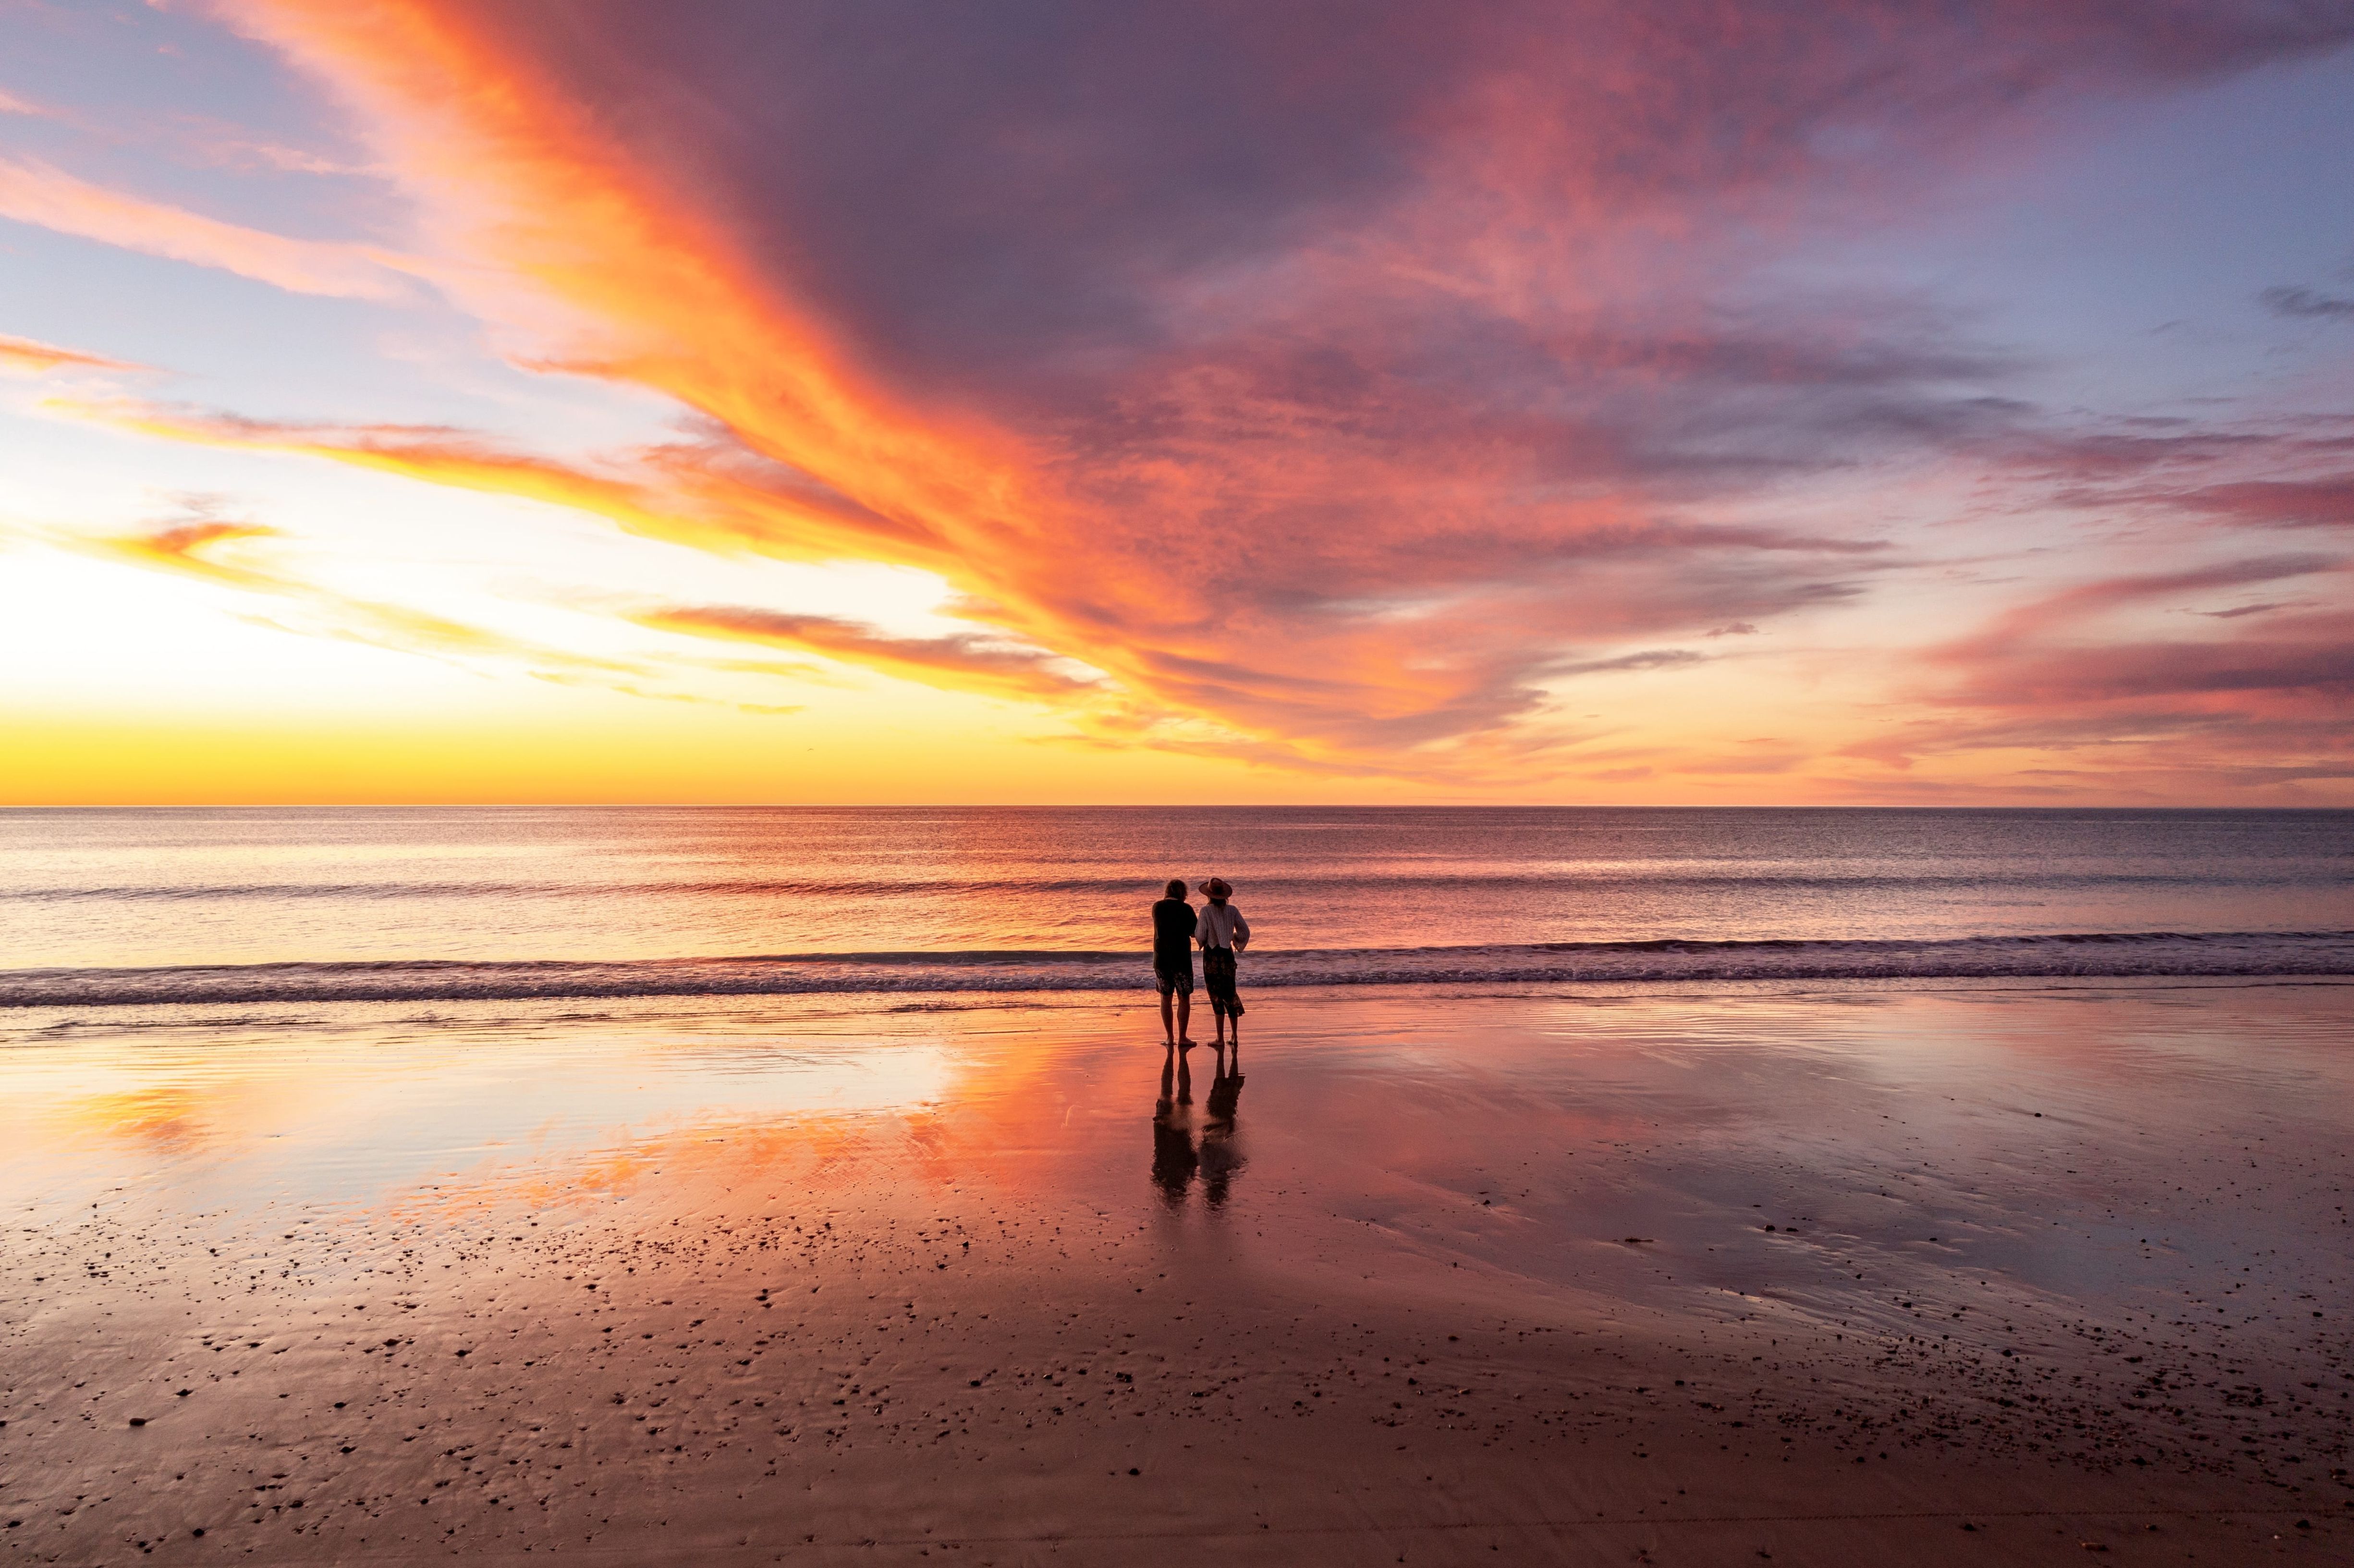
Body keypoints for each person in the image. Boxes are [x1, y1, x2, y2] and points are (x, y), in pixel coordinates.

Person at [1194, 876, 1249, 1045]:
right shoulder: (1233, 910)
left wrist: (1201, 942)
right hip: (1227, 956)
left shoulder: (1205, 911)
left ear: (1209, 896)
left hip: (1211, 956)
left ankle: (1219, 1038)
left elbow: (1201, 934)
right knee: (1230, 993)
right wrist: (1234, 939)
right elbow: (1245, 932)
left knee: (1215, 995)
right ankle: (1234, 1036)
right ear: (1224, 895)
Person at [1149, 877, 1197, 1046]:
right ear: (1183, 893)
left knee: (1166, 998)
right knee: (1184, 998)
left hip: (1161, 959)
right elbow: (1194, 933)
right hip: (1181, 959)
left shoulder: (1157, 907)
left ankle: (1170, 1037)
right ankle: (1183, 1037)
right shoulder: (1186, 909)